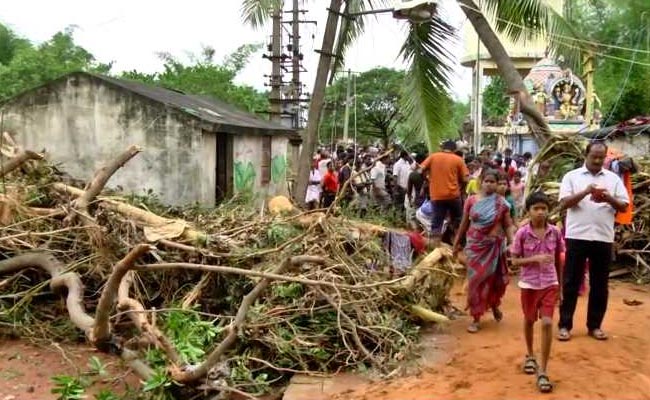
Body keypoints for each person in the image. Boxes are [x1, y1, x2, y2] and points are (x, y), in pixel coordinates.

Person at [557, 141, 629, 341]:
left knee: (599, 284)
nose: (597, 160)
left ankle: (595, 326)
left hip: (602, 237)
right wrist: (586, 192)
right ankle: (564, 325)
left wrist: (608, 199)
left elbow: (623, 207)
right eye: (594, 156)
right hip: (577, 236)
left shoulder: (613, 179)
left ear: (605, 157)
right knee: (571, 282)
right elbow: (564, 203)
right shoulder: (571, 177)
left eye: (601, 157)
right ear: (586, 155)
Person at [510, 192, 564, 393]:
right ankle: (530, 354)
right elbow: (514, 261)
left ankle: (543, 370)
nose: (541, 212)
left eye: (544, 208)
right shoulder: (522, 233)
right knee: (529, 320)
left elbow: (559, 259)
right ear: (529, 211)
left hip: (550, 283)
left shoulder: (555, 233)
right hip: (529, 285)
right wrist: (535, 259)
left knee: (548, 323)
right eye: (536, 209)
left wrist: (561, 288)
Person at [453, 169, 515, 333]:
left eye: (492, 182)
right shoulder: (471, 201)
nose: (489, 184)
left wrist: (512, 243)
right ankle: (476, 317)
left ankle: (494, 305)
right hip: (475, 246)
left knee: (493, 280)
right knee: (476, 281)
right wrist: (456, 243)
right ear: (480, 181)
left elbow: (508, 225)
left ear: (497, 184)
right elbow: (464, 224)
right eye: (486, 181)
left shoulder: (502, 204)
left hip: (494, 247)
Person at [420, 140, 469, 246]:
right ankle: (459, 247)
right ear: (455, 149)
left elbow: (420, 170)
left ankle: (434, 248)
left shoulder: (433, 157)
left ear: (442, 148)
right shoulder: (458, 159)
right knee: (458, 222)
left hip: (437, 196)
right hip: (454, 195)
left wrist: (428, 179)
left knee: (436, 224)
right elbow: (466, 179)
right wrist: (461, 189)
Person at [392, 150, 412, 219]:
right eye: (408, 155)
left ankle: (401, 219)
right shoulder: (397, 164)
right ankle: (397, 220)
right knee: (399, 206)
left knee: (405, 206)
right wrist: (396, 190)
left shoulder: (407, 163)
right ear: (405, 156)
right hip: (401, 188)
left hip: (407, 188)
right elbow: (395, 177)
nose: (409, 157)